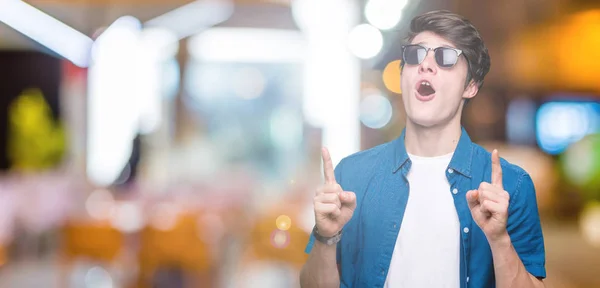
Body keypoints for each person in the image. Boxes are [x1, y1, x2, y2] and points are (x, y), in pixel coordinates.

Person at [299, 10, 546, 288]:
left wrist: (499, 240)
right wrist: (326, 236)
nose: (426, 65)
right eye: (415, 54)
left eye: (445, 57)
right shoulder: (351, 177)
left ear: (471, 86)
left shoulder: (511, 186)